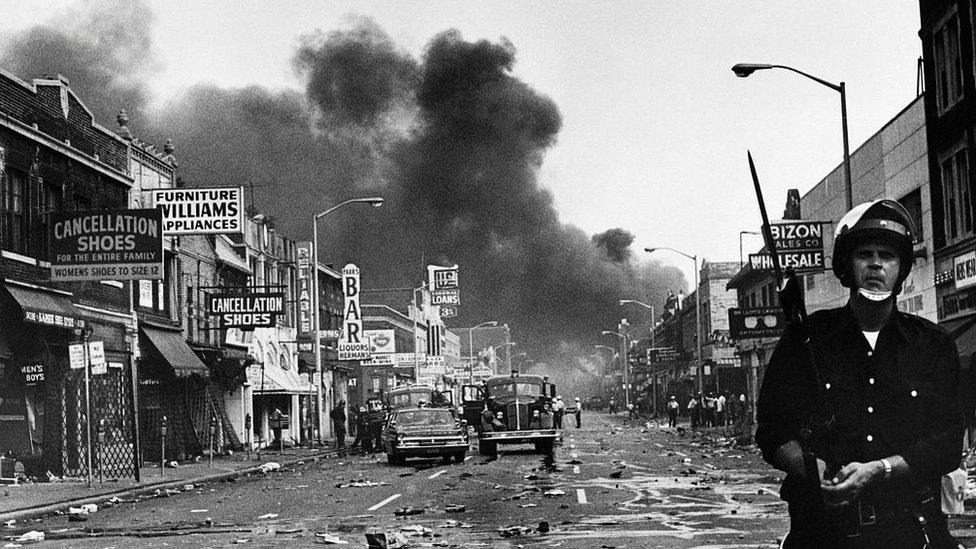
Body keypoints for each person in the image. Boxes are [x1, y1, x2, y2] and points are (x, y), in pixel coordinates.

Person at [756, 200, 962, 548]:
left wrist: (879, 469)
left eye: (888, 255)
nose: (876, 264)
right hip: (823, 533)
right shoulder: (805, 339)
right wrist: (816, 472)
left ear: (902, 268)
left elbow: (947, 444)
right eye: (865, 253)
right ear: (847, 266)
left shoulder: (934, 345)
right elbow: (772, 432)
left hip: (911, 530)